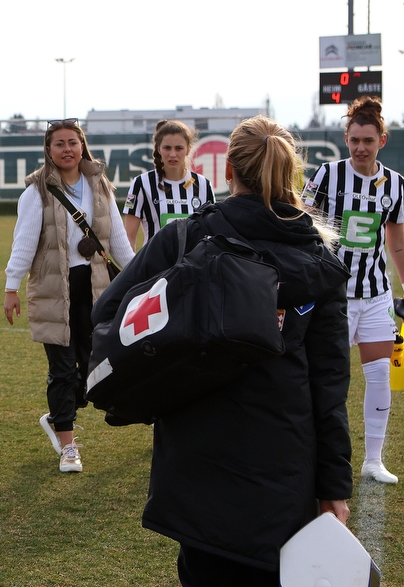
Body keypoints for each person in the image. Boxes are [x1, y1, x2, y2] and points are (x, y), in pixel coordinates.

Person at [93, 116, 352, 586]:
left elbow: (109, 317)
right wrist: (334, 487)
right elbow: (329, 389)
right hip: (285, 467)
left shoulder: (186, 238)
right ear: (289, 172)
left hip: (197, 461)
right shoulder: (320, 261)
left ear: (228, 167)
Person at [3, 119, 135, 472]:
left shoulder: (100, 185)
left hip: (95, 288)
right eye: (59, 143)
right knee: (62, 370)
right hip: (53, 290)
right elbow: (24, 243)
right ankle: (68, 444)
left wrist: (140, 274)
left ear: (82, 146)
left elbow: (117, 239)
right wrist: (11, 287)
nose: (67, 149)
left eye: (72, 142)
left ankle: (58, 415)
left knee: (92, 366)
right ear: (48, 149)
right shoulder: (37, 192)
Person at [303, 96, 402, 485]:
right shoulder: (328, 175)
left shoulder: (395, 184)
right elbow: (304, 224)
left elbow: (396, 240)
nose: (361, 147)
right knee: (328, 379)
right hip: (334, 296)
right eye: (355, 139)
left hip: (376, 294)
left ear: (382, 140)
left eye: (369, 140)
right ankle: (320, 458)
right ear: (346, 137)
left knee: (379, 375)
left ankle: (373, 461)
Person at [123, 119, 215, 249]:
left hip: (192, 268)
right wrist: (132, 268)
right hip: (155, 267)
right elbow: (129, 237)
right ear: (158, 149)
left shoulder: (203, 185)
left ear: (188, 149)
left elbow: (211, 235)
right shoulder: (142, 183)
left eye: (179, 148)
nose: (173, 154)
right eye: (167, 148)